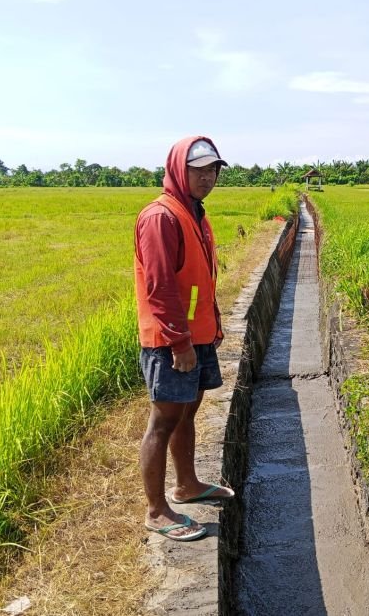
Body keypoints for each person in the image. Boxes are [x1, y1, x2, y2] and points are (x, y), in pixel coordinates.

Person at [135, 136, 235, 541]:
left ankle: (187, 484)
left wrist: (212, 325)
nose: (208, 177)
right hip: (171, 341)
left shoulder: (194, 213)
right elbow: (160, 288)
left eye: (213, 170)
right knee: (163, 421)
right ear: (179, 169)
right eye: (200, 170)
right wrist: (179, 343)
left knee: (187, 413)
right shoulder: (162, 217)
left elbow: (200, 278)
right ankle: (157, 510)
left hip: (197, 336)